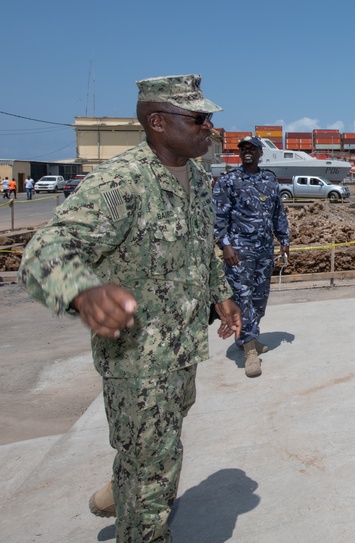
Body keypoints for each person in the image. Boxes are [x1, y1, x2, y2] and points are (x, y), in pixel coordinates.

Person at [18, 74, 241, 542]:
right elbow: (44, 249)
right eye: (199, 118)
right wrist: (82, 291)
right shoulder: (122, 183)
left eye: (211, 119)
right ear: (157, 122)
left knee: (161, 445)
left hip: (181, 349)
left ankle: (128, 486)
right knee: (152, 468)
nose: (210, 129)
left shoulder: (196, 178)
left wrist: (221, 295)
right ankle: (139, 513)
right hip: (137, 360)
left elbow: (202, 244)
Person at [213, 136, 290, 378]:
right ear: (239, 154)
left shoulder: (269, 179)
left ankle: (251, 335)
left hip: (264, 249)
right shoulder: (228, 181)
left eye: (252, 149)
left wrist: (284, 239)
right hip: (239, 251)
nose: (247, 152)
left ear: (260, 153)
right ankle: (249, 351)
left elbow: (278, 211)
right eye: (243, 149)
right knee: (241, 297)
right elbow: (218, 216)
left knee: (259, 296)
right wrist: (225, 244)